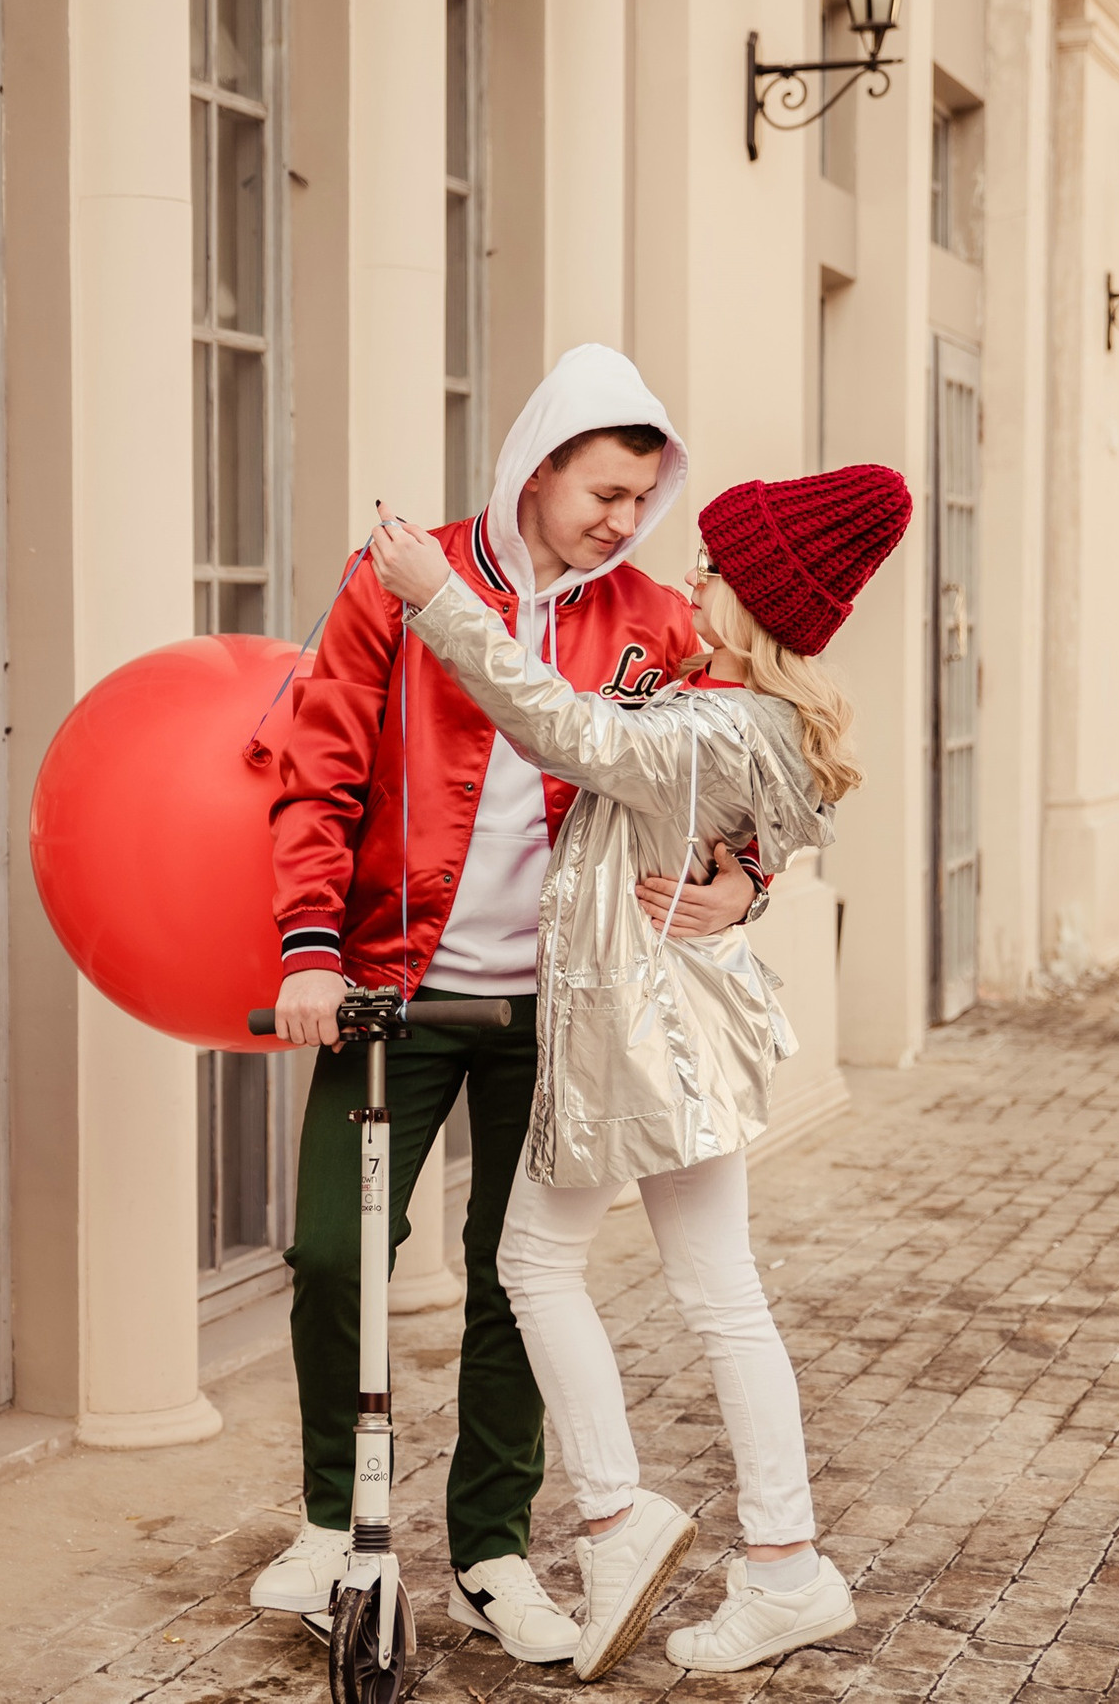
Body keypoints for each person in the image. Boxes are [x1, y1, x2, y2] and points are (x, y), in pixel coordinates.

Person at [253, 345, 759, 1661]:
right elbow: (318, 772)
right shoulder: (401, 582)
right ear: (537, 469)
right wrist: (312, 950)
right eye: (601, 491)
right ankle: (328, 1526)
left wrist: (736, 880)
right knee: (328, 1251)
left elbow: (731, 773)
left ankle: (489, 1545)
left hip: (567, 1004)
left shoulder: (654, 615)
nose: (622, 519)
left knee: (514, 1278)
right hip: (394, 989)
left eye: (640, 498)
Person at [366, 464, 912, 1680]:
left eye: (717, 568)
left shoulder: (717, 720)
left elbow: (571, 732)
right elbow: (738, 823)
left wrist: (439, 596)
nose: (691, 578)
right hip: (684, 1032)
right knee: (719, 1290)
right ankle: (783, 1564)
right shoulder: (746, 711)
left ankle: (622, 1517)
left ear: (761, 598)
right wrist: (746, 883)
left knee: (531, 1259)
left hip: (643, 1037)